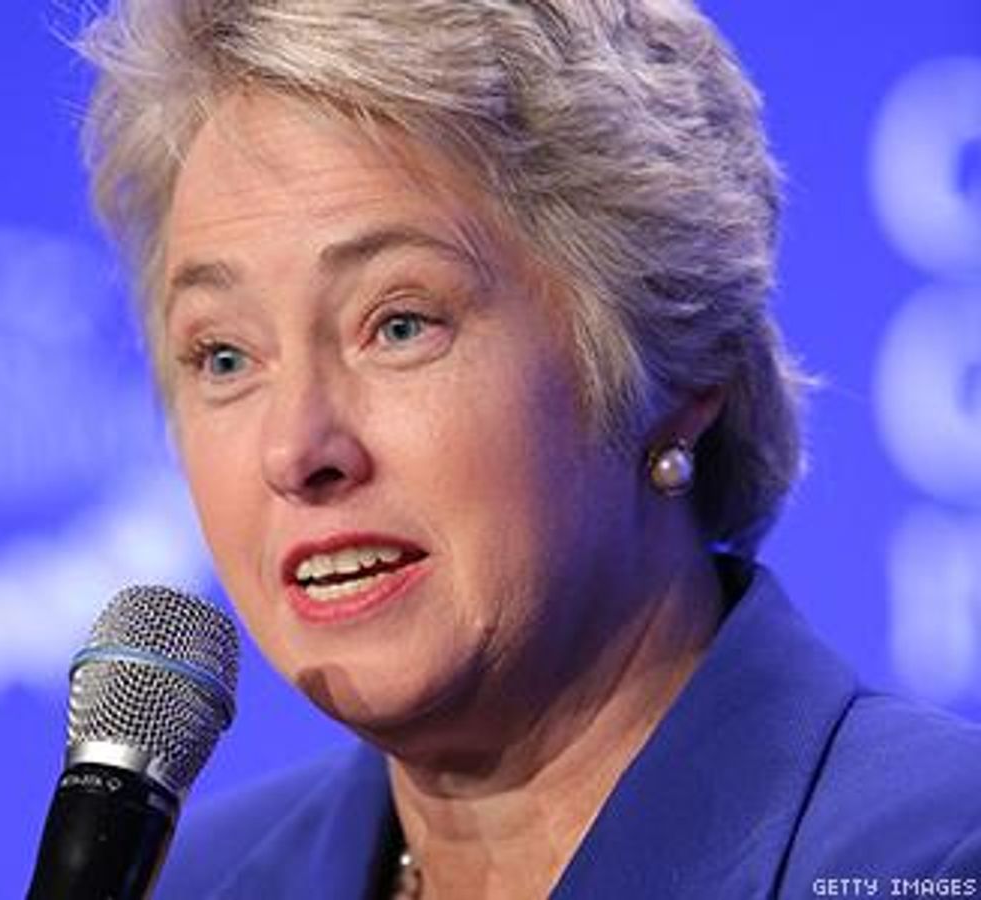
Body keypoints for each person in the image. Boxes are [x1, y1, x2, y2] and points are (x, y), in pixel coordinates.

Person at [75, 1, 981, 896]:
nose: (296, 449)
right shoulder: (185, 883)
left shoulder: (931, 859)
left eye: (399, 324)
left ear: (672, 353)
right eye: (225, 356)